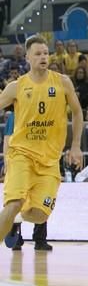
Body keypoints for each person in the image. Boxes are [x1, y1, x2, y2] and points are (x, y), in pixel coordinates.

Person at [0, 35, 83, 255]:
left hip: (49, 161)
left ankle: (17, 215)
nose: (43, 57)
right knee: (13, 202)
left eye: (46, 53)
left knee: (39, 214)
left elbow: (77, 111)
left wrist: (75, 146)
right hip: (21, 155)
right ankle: (14, 212)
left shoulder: (62, 82)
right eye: (38, 53)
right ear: (27, 57)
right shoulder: (16, 87)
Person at [2, 109, 54, 252]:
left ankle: (40, 239)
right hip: (20, 163)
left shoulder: (44, 111)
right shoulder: (15, 114)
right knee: (17, 200)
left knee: (41, 201)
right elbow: (7, 138)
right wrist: (7, 161)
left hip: (41, 162)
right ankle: (16, 237)